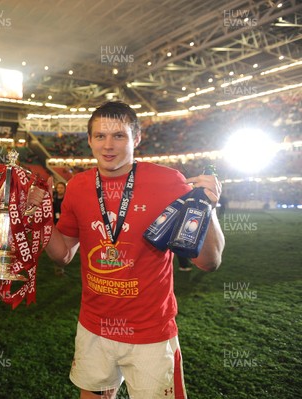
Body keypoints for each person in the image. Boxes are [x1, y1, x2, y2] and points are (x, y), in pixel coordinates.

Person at [44, 101, 225, 399]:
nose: (108, 145)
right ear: (89, 140)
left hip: (150, 332)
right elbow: (62, 254)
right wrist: (39, 218)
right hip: (93, 328)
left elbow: (210, 262)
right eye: (100, 136)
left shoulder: (168, 181)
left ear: (137, 138)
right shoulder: (77, 186)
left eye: (119, 136)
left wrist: (209, 207)